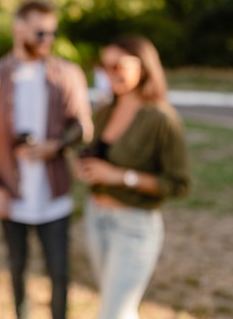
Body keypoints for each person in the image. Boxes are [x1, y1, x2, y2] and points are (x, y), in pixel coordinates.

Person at [0, 0, 94, 319]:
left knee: (59, 273)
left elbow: (84, 127)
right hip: (11, 195)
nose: (48, 40)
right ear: (18, 29)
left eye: (52, 33)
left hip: (54, 196)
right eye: (40, 32)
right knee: (17, 270)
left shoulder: (67, 74)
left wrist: (54, 147)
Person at [73, 34, 191, 319]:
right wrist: (86, 167)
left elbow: (178, 185)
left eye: (119, 65)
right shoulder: (106, 109)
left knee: (113, 313)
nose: (110, 72)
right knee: (120, 309)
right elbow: (98, 155)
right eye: (105, 65)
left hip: (134, 227)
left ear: (144, 66)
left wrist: (120, 177)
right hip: (96, 217)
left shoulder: (162, 119)